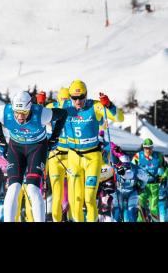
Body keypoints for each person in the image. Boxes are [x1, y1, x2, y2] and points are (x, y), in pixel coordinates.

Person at [0, 91, 67, 222]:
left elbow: (63, 114)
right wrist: (0, 138)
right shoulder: (4, 111)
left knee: (32, 188)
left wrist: (54, 137)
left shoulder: (42, 114)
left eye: (24, 113)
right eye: (17, 113)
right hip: (16, 147)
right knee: (13, 188)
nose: (20, 117)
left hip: (36, 148)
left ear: (30, 108)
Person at [62, 80, 123, 222]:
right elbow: (45, 117)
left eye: (81, 97)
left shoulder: (95, 106)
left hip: (92, 158)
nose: (78, 101)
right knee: (76, 199)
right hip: (73, 158)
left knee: (89, 198)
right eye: (74, 98)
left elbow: (119, 117)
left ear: (86, 95)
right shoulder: (65, 107)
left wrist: (108, 105)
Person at [45, 87, 70, 222]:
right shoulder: (51, 107)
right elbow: (40, 118)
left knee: (73, 195)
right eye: (62, 100)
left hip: (72, 155)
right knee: (56, 193)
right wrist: (40, 103)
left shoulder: (74, 109)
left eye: (67, 100)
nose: (65, 104)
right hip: (55, 154)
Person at [131, 138, 167, 222]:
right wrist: (135, 181)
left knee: (154, 207)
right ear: (143, 148)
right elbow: (131, 168)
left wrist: (163, 177)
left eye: (150, 147)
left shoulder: (158, 156)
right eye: (146, 148)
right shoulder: (138, 156)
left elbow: (166, 168)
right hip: (142, 185)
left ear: (152, 147)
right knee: (141, 206)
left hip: (154, 185)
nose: (148, 150)